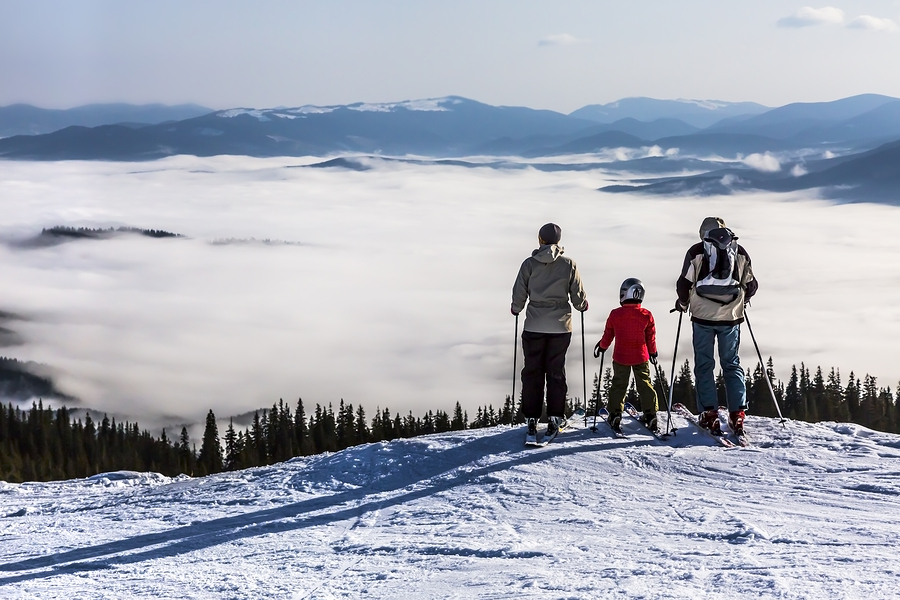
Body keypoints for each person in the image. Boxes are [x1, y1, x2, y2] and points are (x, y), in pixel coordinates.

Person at [674, 217, 758, 436]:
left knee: (704, 364)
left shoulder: (697, 251)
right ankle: (737, 413)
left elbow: (684, 284)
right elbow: (751, 285)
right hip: (731, 317)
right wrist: (741, 301)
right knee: (731, 363)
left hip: (702, 316)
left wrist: (683, 303)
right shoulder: (739, 250)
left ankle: (709, 414)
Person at [511, 223, 588, 444]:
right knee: (556, 372)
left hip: (534, 325)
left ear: (540, 240)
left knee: (532, 372)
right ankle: (555, 417)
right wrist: (582, 305)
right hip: (560, 328)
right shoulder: (569, 264)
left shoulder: (529, 264)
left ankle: (532, 419)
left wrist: (516, 309)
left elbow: (519, 293)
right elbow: (578, 297)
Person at [592, 278, 659, 432]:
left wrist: (602, 347)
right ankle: (651, 414)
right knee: (644, 384)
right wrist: (653, 352)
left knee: (619, 385)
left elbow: (608, 334)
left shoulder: (615, 314)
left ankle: (615, 414)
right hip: (641, 357)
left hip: (621, 357)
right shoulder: (646, 315)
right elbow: (651, 337)